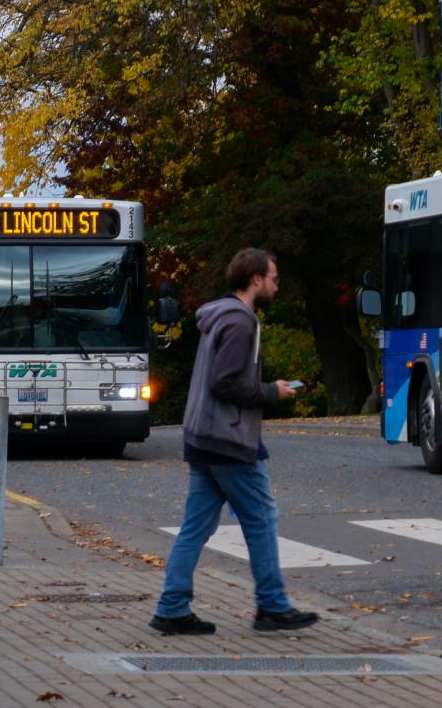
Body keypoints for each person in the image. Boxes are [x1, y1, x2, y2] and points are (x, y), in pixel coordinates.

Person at [151, 248, 317, 635]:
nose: (277, 286)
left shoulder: (220, 316)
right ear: (256, 279)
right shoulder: (241, 323)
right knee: (261, 518)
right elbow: (224, 382)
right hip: (227, 438)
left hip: (203, 436)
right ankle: (272, 606)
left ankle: (172, 608)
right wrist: (272, 391)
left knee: (196, 527)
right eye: (273, 278)